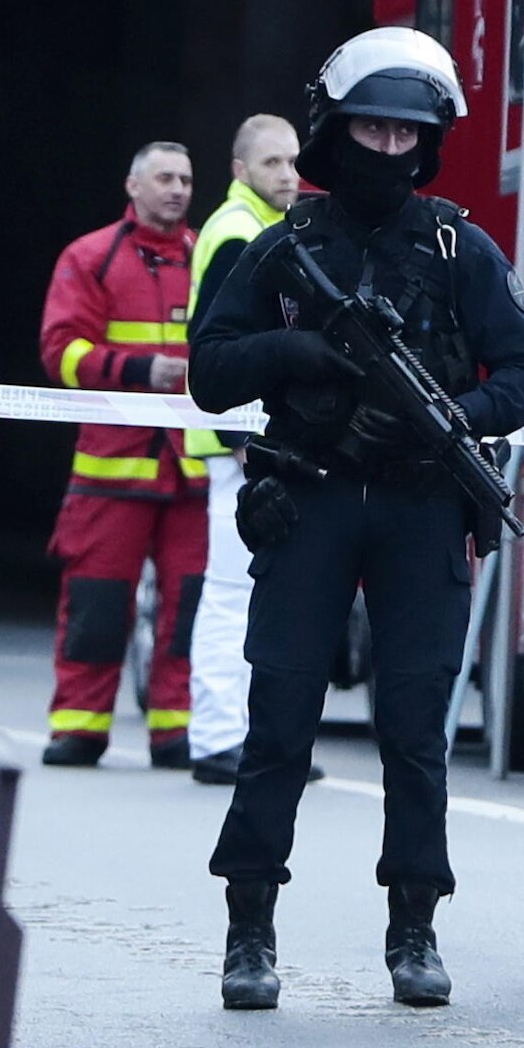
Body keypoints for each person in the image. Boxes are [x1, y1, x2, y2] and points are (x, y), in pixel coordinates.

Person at [193, 29, 524, 1013]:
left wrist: (456, 420)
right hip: (307, 499)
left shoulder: (454, 245)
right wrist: (293, 354)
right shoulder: (286, 244)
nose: (387, 149)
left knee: (413, 730)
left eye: (406, 132)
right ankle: (249, 930)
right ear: (334, 130)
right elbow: (209, 371)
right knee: (277, 724)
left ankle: (413, 927)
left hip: (420, 506)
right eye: (369, 128)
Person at [34, 141, 209, 770]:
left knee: (189, 609)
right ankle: (79, 726)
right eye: (164, 178)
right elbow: (61, 354)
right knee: (96, 607)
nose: (177, 189)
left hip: (192, 471)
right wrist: (140, 370)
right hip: (112, 470)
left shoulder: (208, 256)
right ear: (132, 186)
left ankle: (176, 729)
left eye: (186, 179)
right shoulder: (90, 257)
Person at [178, 112, 302, 784]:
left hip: (250, 443)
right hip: (240, 448)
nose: (288, 173)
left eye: (291, 161)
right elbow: (216, 348)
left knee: (258, 595)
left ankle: (245, 738)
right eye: (272, 163)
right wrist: (239, 438)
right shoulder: (237, 234)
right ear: (240, 170)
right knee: (230, 594)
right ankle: (219, 738)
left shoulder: (262, 228)